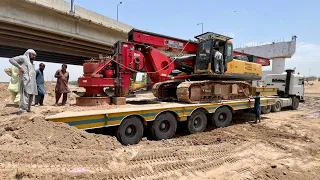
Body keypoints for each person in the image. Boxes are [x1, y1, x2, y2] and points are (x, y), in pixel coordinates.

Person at [9, 49, 38, 114]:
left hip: (31, 82)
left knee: (30, 95)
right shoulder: (23, 58)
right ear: (29, 53)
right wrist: (20, 67)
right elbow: (11, 60)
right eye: (33, 55)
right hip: (25, 81)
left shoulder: (30, 62)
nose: (34, 57)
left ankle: (28, 109)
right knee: (25, 95)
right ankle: (23, 110)